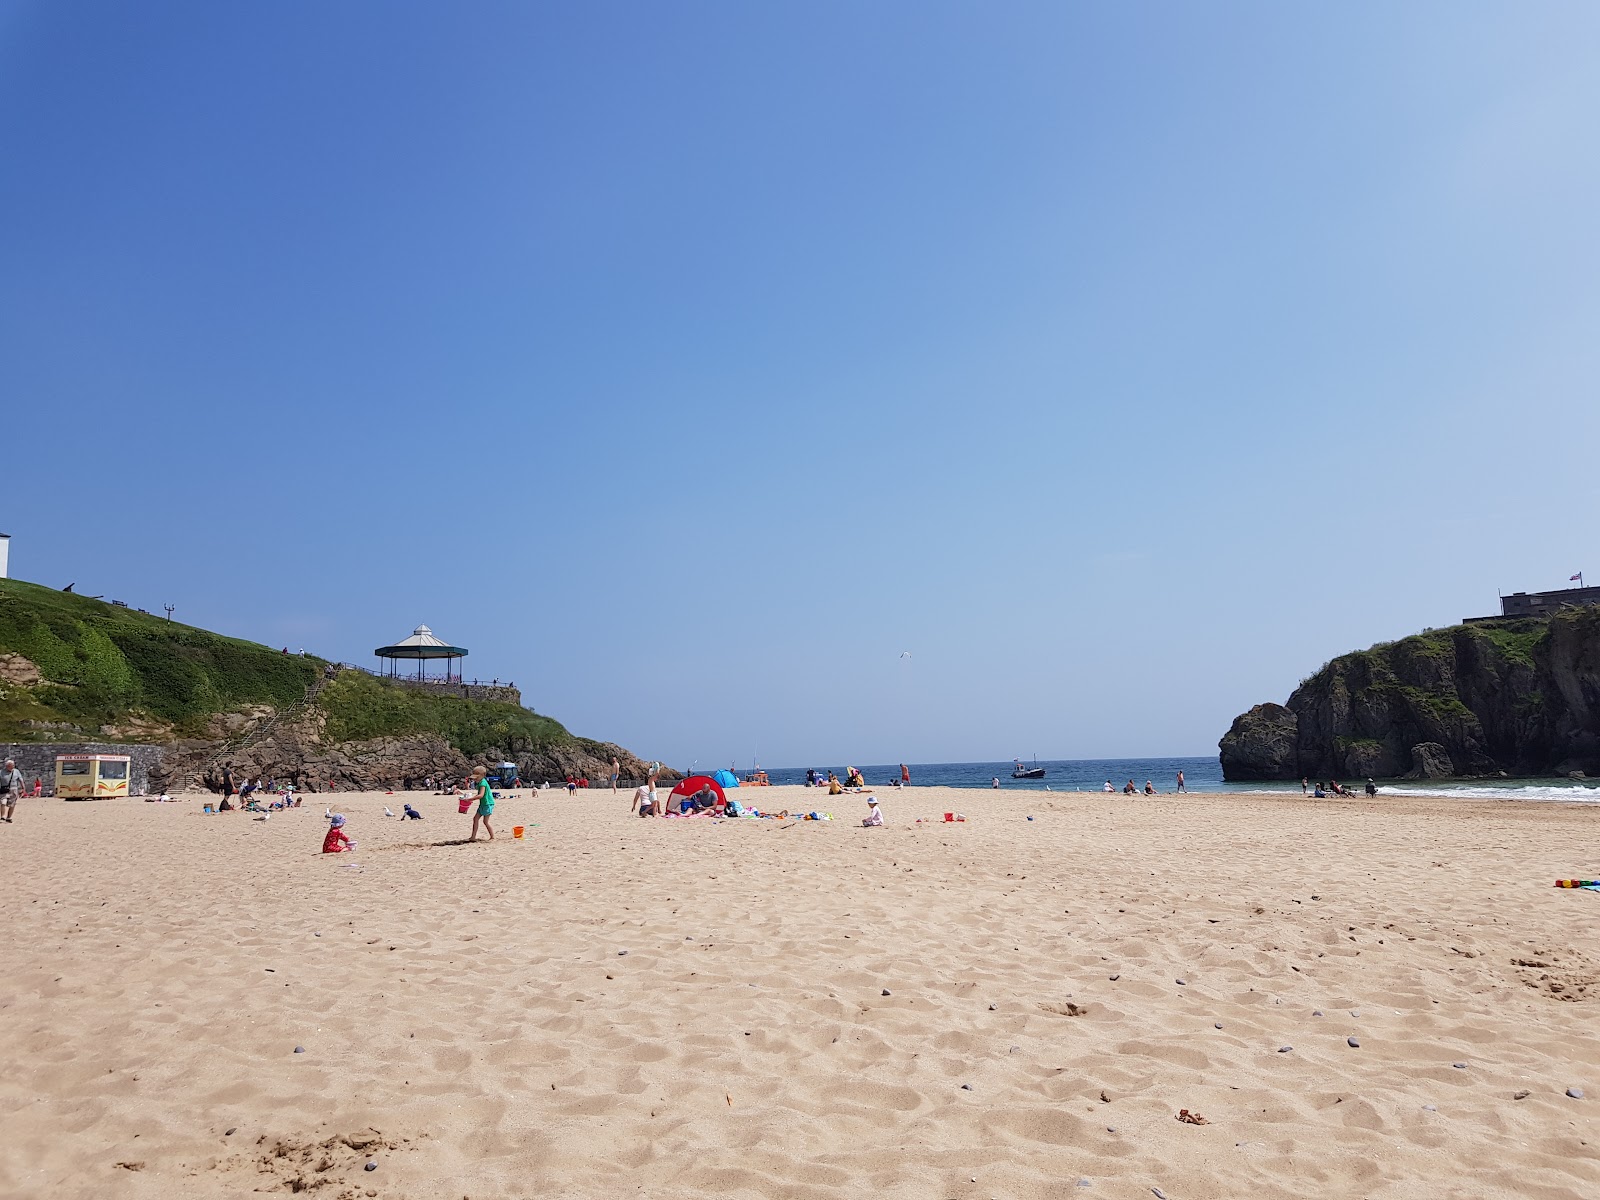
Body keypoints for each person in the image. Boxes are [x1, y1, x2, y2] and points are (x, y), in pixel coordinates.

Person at [468, 766, 496, 841]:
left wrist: (471, 799)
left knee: (485, 821)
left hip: (487, 804)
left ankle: (492, 836)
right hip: (483, 804)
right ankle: (473, 837)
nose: (475, 779)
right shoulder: (480, 782)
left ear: (483, 775)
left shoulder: (483, 783)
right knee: (475, 819)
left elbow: (481, 795)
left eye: (477, 777)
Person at [2, 758, 24, 823]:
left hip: (14, 789)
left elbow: (21, 780)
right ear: (7, 766)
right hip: (4, 790)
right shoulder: (1, 772)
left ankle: (8, 817)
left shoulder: (16, 771)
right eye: (11, 765)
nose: (12, 767)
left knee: (12, 804)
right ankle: (3, 816)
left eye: (13, 765)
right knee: (3, 802)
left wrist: (23, 788)